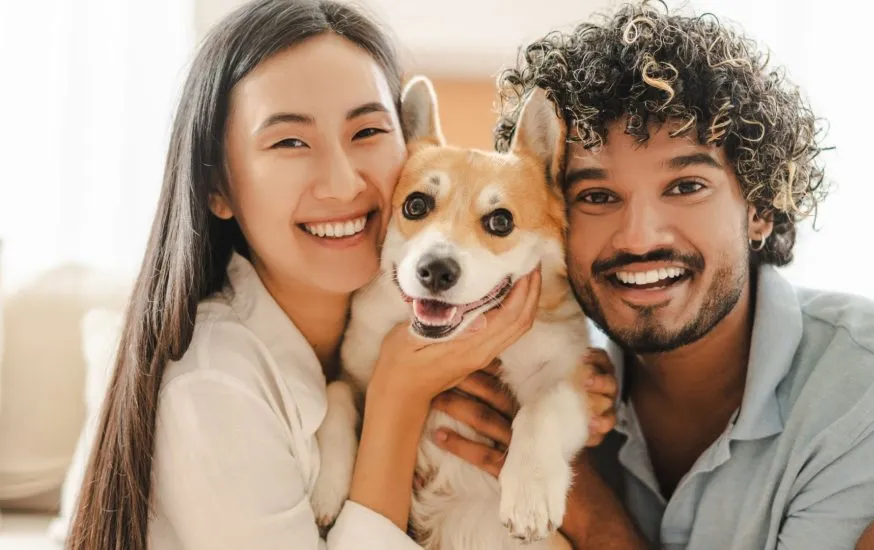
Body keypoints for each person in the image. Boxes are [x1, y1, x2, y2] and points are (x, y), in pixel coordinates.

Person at [63, 1, 617, 549]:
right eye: (289, 141)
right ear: (217, 187)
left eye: (367, 131)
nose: (342, 183)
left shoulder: (372, 333)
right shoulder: (213, 388)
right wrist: (397, 394)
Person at [431, 2, 874, 549]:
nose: (638, 237)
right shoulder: (542, 379)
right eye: (597, 195)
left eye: (686, 186)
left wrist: (593, 516)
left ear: (759, 207)